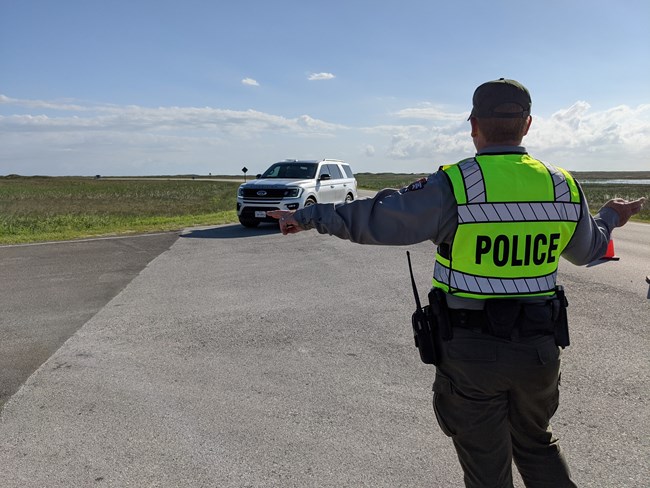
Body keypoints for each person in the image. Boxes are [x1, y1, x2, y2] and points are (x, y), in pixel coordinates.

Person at [267, 78, 646, 488]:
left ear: (473, 125)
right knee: (537, 445)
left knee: (487, 468)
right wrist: (610, 216)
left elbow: (378, 219)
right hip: (538, 351)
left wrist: (306, 217)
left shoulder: (457, 183)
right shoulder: (563, 185)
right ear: (528, 124)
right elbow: (589, 251)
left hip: (471, 353)